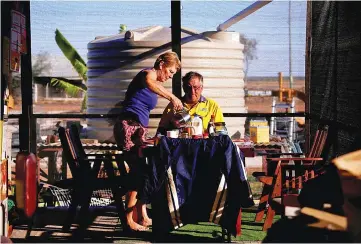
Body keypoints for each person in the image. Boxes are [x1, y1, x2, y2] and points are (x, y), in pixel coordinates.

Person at [113, 51, 183, 232]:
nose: (169, 76)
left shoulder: (154, 81)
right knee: (138, 173)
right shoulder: (148, 73)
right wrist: (172, 96)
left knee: (144, 170)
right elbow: (149, 81)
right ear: (161, 65)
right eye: (170, 71)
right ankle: (128, 221)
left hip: (137, 128)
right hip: (129, 125)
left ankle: (142, 216)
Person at [157, 71, 224, 135]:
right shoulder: (173, 105)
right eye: (188, 87)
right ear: (183, 88)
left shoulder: (212, 105)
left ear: (201, 88)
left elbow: (221, 132)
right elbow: (161, 131)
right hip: (180, 145)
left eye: (195, 87)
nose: (192, 91)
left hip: (204, 145)